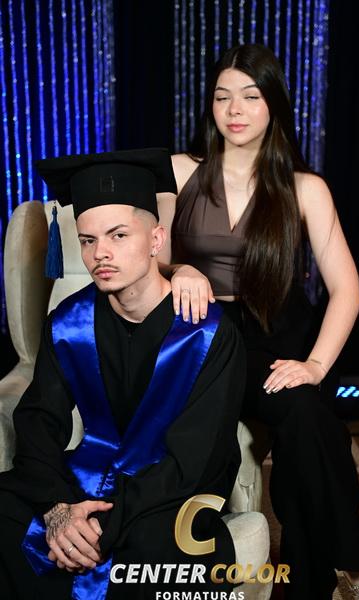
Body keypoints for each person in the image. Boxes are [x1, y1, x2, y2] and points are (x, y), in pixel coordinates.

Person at [156, 44, 359, 600]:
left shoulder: (305, 187)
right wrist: (179, 269)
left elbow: (347, 289)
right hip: (206, 335)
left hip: (280, 333)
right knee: (310, 422)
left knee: (308, 419)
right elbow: (152, 259)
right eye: (222, 96)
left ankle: (332, 579)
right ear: (209, 105)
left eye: (250, 96)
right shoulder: (178, 171)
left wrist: (315, 365)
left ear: (273, 105)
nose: (234, 109)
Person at [0, 148, 246, 600]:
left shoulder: (208, 333)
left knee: (154, 550)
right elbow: (38, 421)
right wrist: (59, 509)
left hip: (169, 491)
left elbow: (197, 458)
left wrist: (101, 523)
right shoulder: (68, 324)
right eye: (88, 240)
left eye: (118, 235)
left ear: (155, 239)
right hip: (89, 475)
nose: (100, 254)